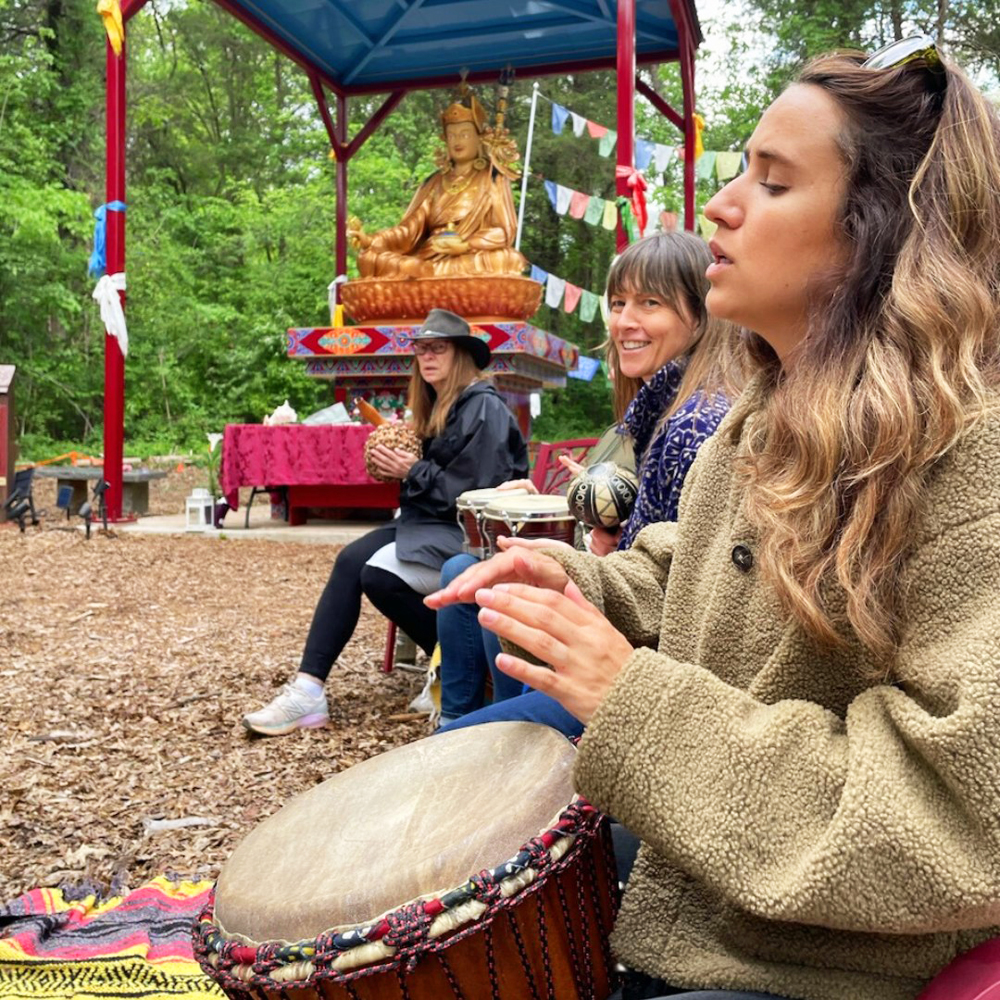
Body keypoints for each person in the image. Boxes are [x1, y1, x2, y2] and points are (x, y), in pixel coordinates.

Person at [428, 38, 1000, 1000]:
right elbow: (691, 569)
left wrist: (631, 700)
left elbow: (963, 818)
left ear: (874, 233)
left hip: (820, 969)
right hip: (701, 897)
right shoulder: (767, 413)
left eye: (772, 184)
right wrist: (577, 584)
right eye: (739, 170)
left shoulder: (969, 456)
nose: (721, 206)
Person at [435, 231, 733, 730]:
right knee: (480, 585)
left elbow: (675, 591)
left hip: (646, 671)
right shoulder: (653, 413)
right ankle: (486, 729)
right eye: (618, 303)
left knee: (483, 590)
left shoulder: (692, 426)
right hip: (625, 628)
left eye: (650, 303)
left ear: (701, 317)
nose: (624, 321)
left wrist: (596, 555)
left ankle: (491, 739)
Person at [243, 308, 528, 736]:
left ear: (461, 355)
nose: (427, 357)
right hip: (433, 521)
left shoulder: (481, 408)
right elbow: (437, 486)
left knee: (377, 574)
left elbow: (475, 493)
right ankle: (309, 690)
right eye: (421, 350)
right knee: (352, 560)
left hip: (475, 539)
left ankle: (458, 664)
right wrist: (399, 465)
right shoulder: (443, 405)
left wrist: (412, 470)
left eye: (439, 349)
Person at [349, 93, 526, 279]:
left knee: (508, 259)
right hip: (430, 258)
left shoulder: (492, 178)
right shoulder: (433, 182)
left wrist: (466, 245)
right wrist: (371, 240)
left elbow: (504, 231)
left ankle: (426, 276)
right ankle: (424, 274)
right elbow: (408, 231)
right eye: (452, 135)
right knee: (369, 258)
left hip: (467, 259)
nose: (457, 141)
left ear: (479, 139)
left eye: (464, 134)